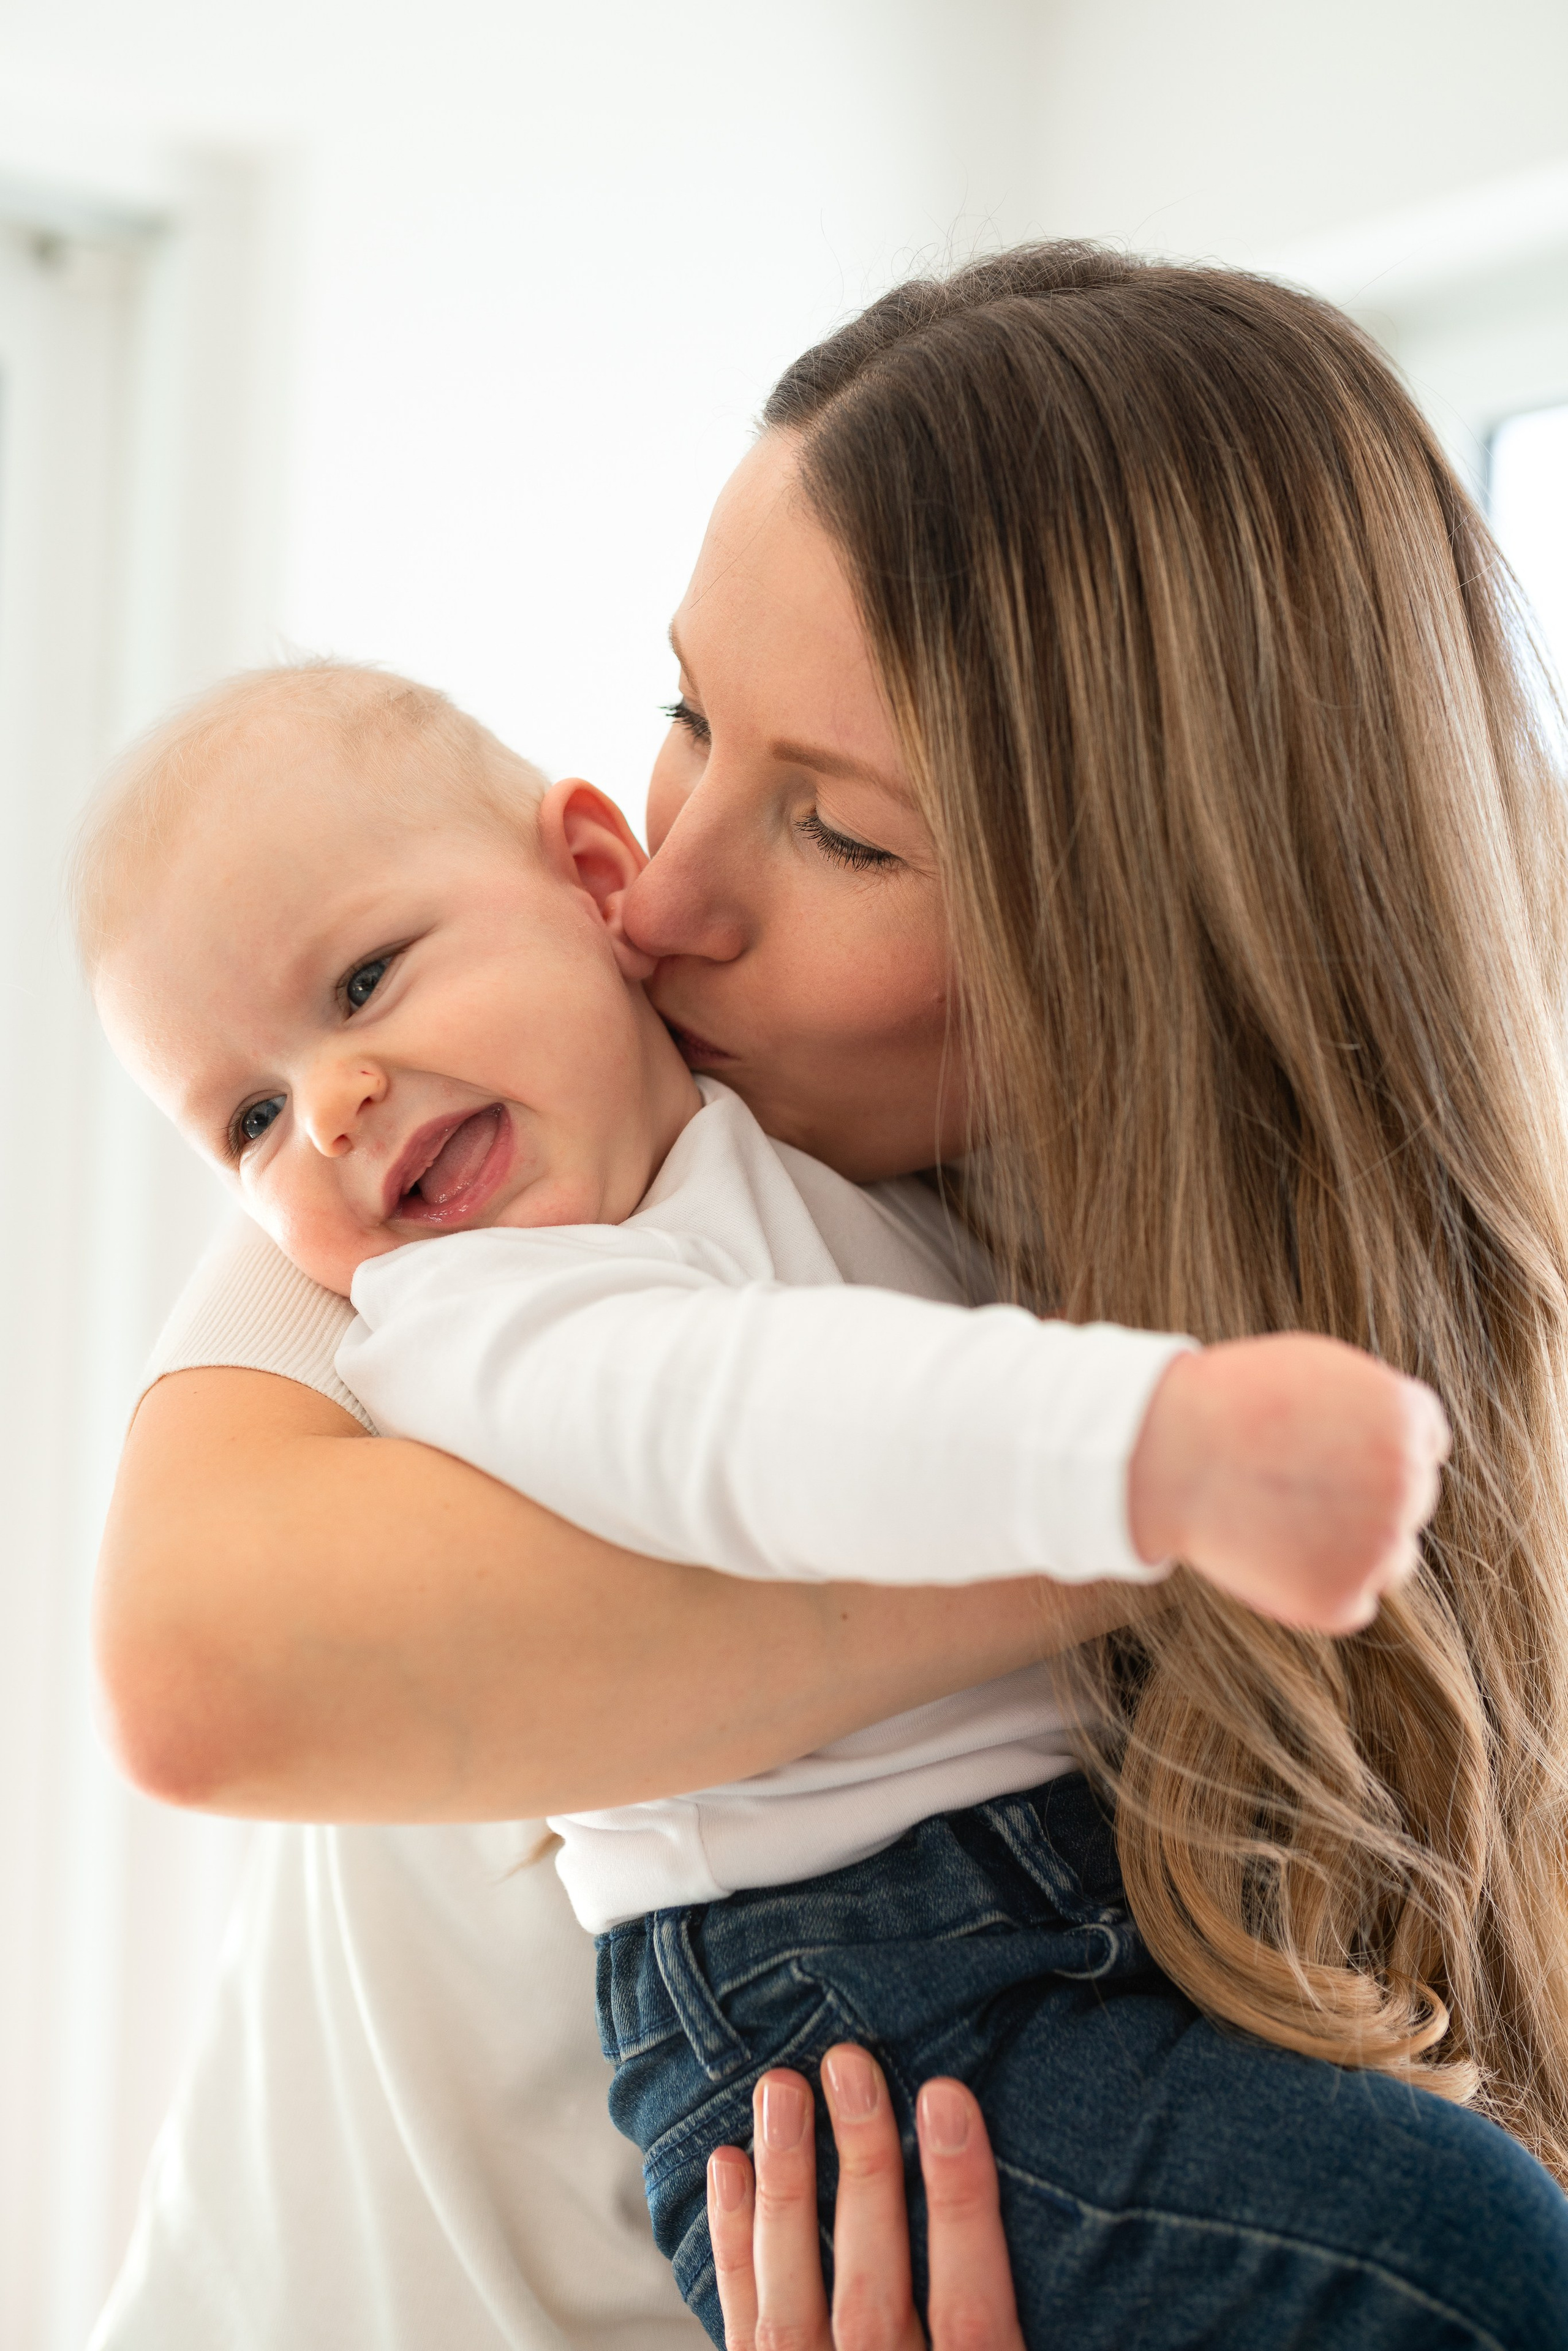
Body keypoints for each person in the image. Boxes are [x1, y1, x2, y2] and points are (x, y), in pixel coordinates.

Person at [92, 242, 1568, 2348]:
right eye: (690, 714)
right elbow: (199, 1680)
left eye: (839, 837)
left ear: (1134, 940)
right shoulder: (452, 1166)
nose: (662, 891)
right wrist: (1155, 1518)